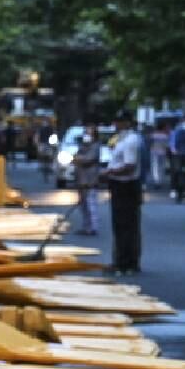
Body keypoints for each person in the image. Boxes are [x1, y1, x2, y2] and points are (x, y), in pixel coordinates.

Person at [104, 111, 145, 275]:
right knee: (120, 226)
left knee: (127, 226)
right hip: (118, 184)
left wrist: (109, 173)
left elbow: (130, 166)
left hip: (126, 186)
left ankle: (126, 262)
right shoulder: (120, 138)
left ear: (127, 123)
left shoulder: (131, 140)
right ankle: (121, 259)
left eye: (120, 122)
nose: (116, 124)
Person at [73, 127, 101, 235]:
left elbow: (88, 159)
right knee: (83, 205)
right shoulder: (82, 146)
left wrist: (78, 159)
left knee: (91, 204)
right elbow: (76, 157)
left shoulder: (95, 146)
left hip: (90, 179)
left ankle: (93, 227)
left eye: (89, 134)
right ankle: (86, 226)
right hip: (81, 178)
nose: (87, 136)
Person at [168, 119, 185, 200]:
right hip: (177, 154)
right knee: (175, 171)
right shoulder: (176, 131)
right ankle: (173, 189)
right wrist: (173, 149)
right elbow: (172, 142)